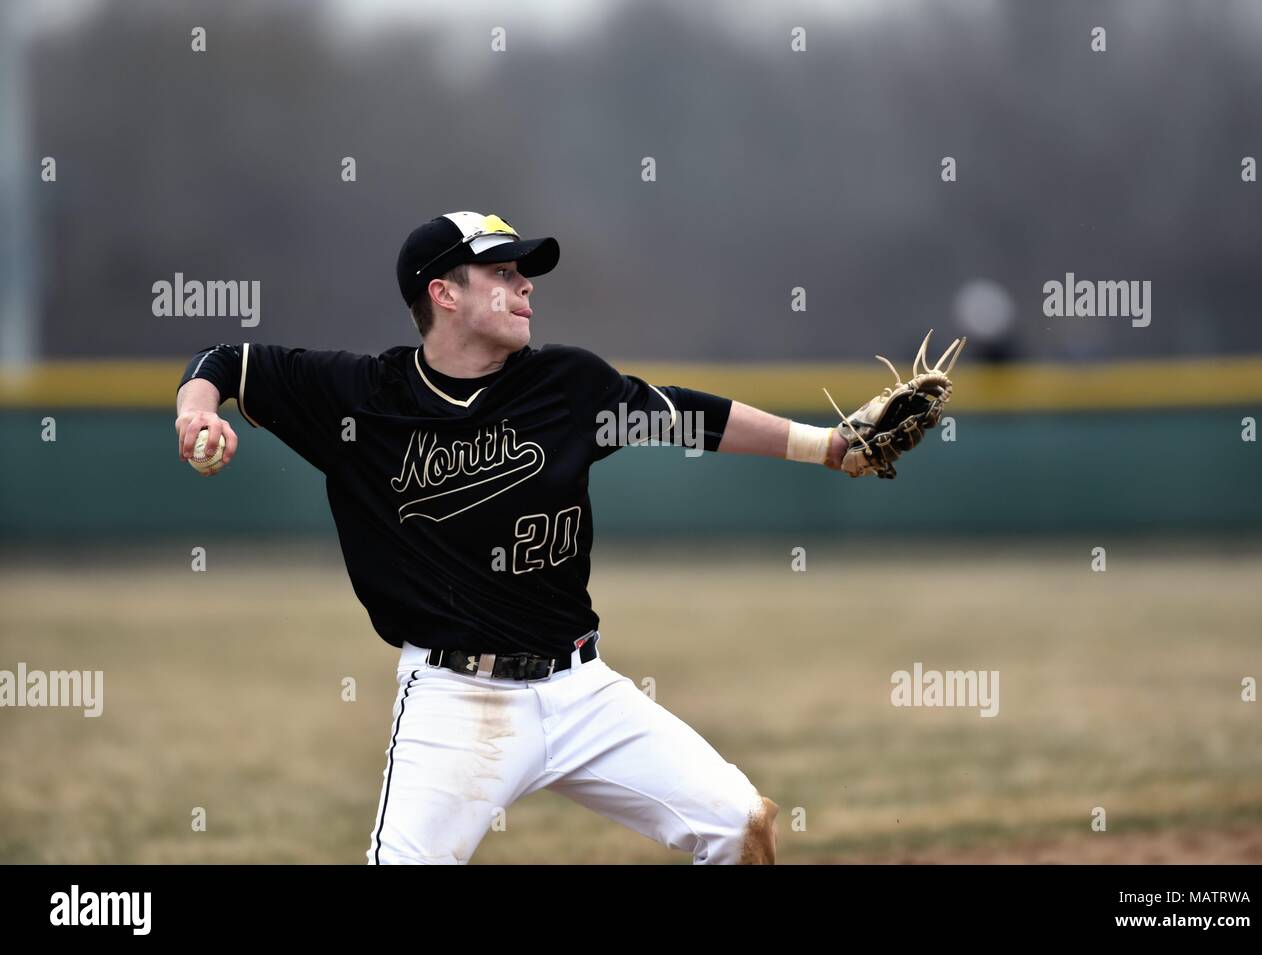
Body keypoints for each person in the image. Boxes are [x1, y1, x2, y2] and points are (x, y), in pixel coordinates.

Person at [174, 210, 939, 865]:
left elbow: (686, 416)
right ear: (443, 292)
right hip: (455, 697)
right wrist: (195, 412)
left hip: (582, 691)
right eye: (500, 272)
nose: (524, 285)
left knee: (740, 825)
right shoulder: (360, 398)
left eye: (524, 272)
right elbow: (225, 363)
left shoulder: (564, 386)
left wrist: (827, 447)